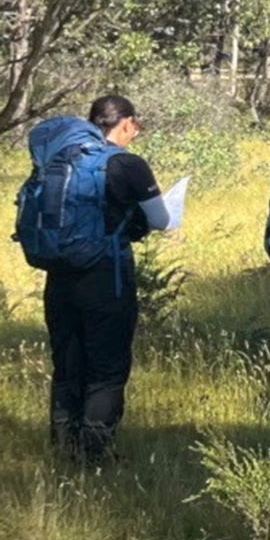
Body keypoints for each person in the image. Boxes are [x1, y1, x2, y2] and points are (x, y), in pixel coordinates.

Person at [26, 96, 169, 465]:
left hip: (59, 276)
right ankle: (97, 452)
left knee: (68, 360)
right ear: (125, 123)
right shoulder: (127, 164)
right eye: (135, 127)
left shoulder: (59, 161)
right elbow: (160, 220)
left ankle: (62, 446)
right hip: (107, 276)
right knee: (106, 364)